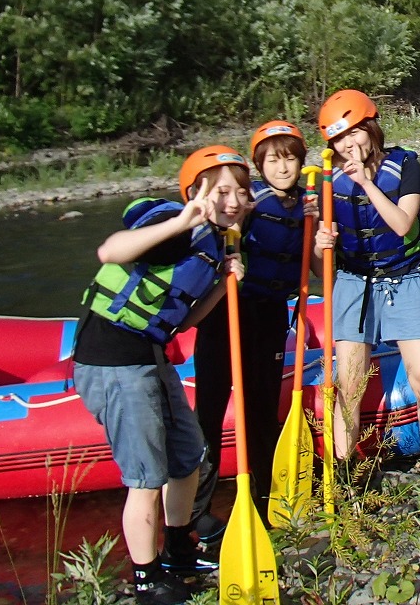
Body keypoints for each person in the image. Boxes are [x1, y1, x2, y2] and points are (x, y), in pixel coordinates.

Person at [73, 146, 251, 605]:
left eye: (241, 191)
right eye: (222, 190)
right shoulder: (174, 225)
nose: (233, 200)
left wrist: (223, 284)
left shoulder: (213, 243)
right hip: (112, 357)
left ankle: (177, 547)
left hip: (150, 353)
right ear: (195, 192)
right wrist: (182, 222)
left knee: (188, 455)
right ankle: (147, 577)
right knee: (147, 476)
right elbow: (109, 250)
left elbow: (187, 322)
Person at [312, 89, 420, 472]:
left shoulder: (405, 165)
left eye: (355, 132)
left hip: (405, 280)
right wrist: (320, 248)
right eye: (339, 138)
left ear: (372, 128)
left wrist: (367, 183)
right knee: (349, 389)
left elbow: (403, 224)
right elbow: (323, 273)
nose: (349, 144)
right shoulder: (329, 184)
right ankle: (343, 472)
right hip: (354, 285)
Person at [191, 121, 315, 526]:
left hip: (270, 317)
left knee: (261, 410)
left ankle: (263, 505)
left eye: (291, 158)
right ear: (260, 165)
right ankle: (196, 514)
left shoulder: (312, 204)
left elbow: (317, 269)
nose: (283, 168)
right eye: (273, 160)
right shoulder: (246, 203)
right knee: (208, 412)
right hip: (226, 316)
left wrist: (321, 239)